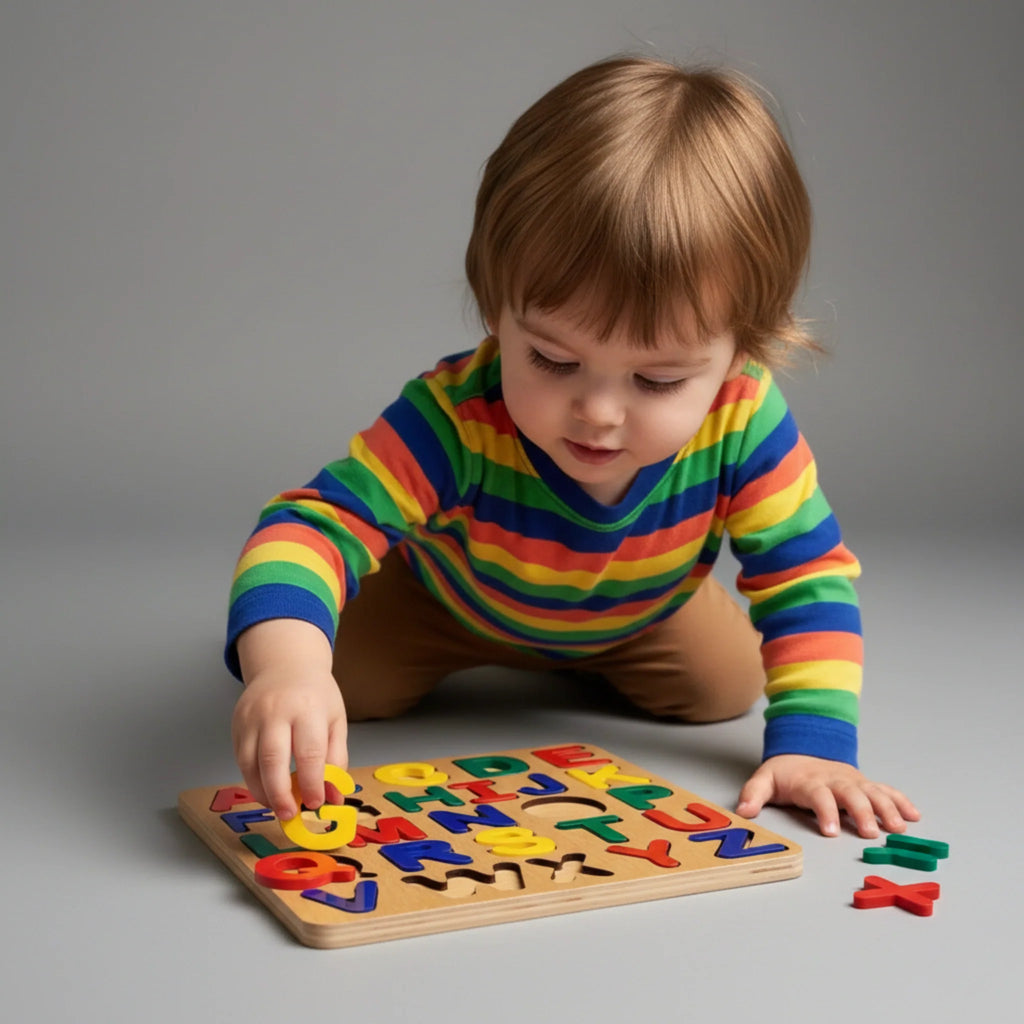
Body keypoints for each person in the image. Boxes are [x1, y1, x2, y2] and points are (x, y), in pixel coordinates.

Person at [226, 55, 920, 840]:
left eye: (656, 380)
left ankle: (606, 641)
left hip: (640, 612)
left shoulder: (746, 418)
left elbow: (806, 574)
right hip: (446, 603)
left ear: (742, 351)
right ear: (496, 312)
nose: (597, 411)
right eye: (553, 361)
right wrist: (288, 668)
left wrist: (818, 748)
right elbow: (307, 528)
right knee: (340, 679)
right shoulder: (456, 416)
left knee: (725, 686)